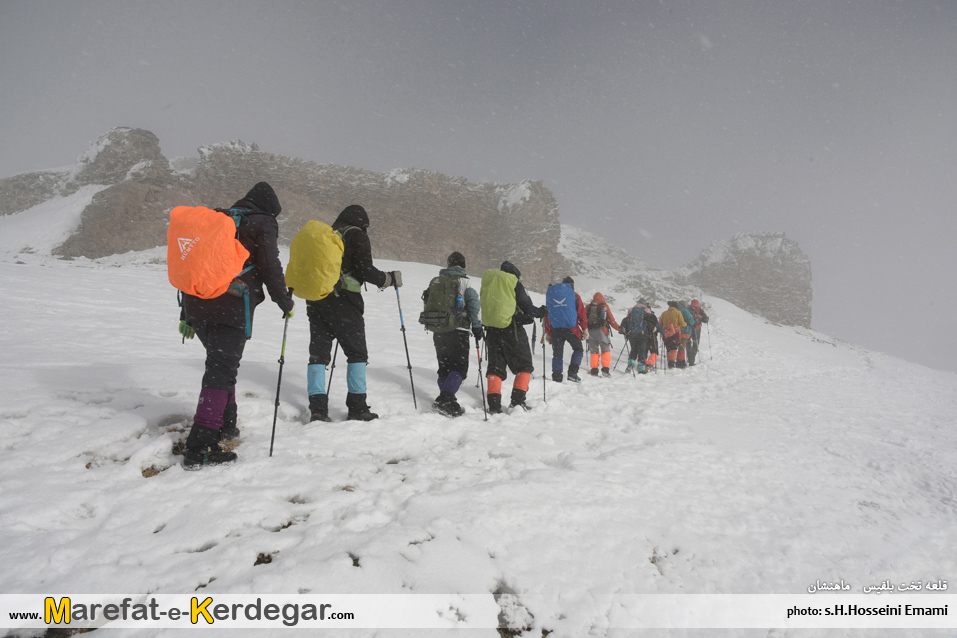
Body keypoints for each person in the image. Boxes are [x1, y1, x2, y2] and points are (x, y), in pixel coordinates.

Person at [179, 182, 295, 469]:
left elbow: (195, 266)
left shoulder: (220, 219)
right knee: (221, 369)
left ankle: (226, 425)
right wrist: (285, 302)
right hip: (230, 306)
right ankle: (202, 443)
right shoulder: (262, 222)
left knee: (221, 365)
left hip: (198, 303)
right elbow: (270, 266)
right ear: (271, 209)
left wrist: (186, 314)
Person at [305, 205, 402, 422]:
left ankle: (318, 409)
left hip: (316, 299)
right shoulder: (355, 234)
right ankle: (357, 407)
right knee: (357, 354)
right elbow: (364, 270)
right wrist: (389, 279)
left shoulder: (327, 236)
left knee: (318, 356)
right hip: (344, 301)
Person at [483, 261, 547, 413]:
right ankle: (517, 402)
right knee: (524, 365)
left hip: (491, 329)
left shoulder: (489, 281)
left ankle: (494, 405)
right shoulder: (513, 283)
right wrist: (541, 312)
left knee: (495, 367)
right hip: (512, 330)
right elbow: (527, 308)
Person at [429, 252, 483, 417]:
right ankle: (445, 399)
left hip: (438, 330)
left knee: (444, 367)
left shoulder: (437, 281)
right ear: (463, 265)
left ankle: (448, 399)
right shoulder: (466, 282)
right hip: (458, 331)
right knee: (459, 368)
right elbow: (474, 306)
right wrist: (477, 327)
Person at [543, 276, 588, 383]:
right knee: (578, 349)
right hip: (571, 328)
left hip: (555, 328)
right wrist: (585, 329)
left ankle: (557, 376)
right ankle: (572, 373)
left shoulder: (554, 296)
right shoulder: (575, 296)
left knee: (557, 353)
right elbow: (581, 314)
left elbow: (549, 315)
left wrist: (548, 332)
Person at [584, 292, 620, 377]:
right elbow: (611, 320)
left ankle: (594, 369)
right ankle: (605, 370)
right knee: (606, 350)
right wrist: (620, 329)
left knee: (594, 351)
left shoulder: (588, 307)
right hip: (602, 332)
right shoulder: (604, 307)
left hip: (591, 332)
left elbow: (584, 320)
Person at [620, 298, 659, 374]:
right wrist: (653, 330)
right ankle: (641, 369)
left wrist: (626, 332)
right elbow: (652, 323)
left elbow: (626, 321)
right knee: (642, 351)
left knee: (633, 350)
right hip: (642, 335)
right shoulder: (646, 311)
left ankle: (630, 365)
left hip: (632, 334)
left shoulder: (632, 311)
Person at [658, 301, 687, 370]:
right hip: (675, 333)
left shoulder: (664, 313)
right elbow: (682, 323)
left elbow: (660, 324)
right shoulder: (677, 312)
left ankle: (669, 362)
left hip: (666, 333)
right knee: (674, 348)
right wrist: (685, 324)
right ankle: (672, 362)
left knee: (668, 347)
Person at [688, 299, 710, 366]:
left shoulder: (687, 309)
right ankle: (691, 361)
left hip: (688, 329)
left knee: (688, 344)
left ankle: (688, 358)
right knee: (695, 344)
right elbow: (706, 320)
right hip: (696, 329)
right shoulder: (699, 309)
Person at [676, 300, 696, 369]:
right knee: (682, 347)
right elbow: (691, 321)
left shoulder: (677, 310)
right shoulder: (685, 311)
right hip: (685, 331)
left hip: (677, 331)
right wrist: (693, 323)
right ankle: (680, 362)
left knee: (680, 346)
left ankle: (678, 360)